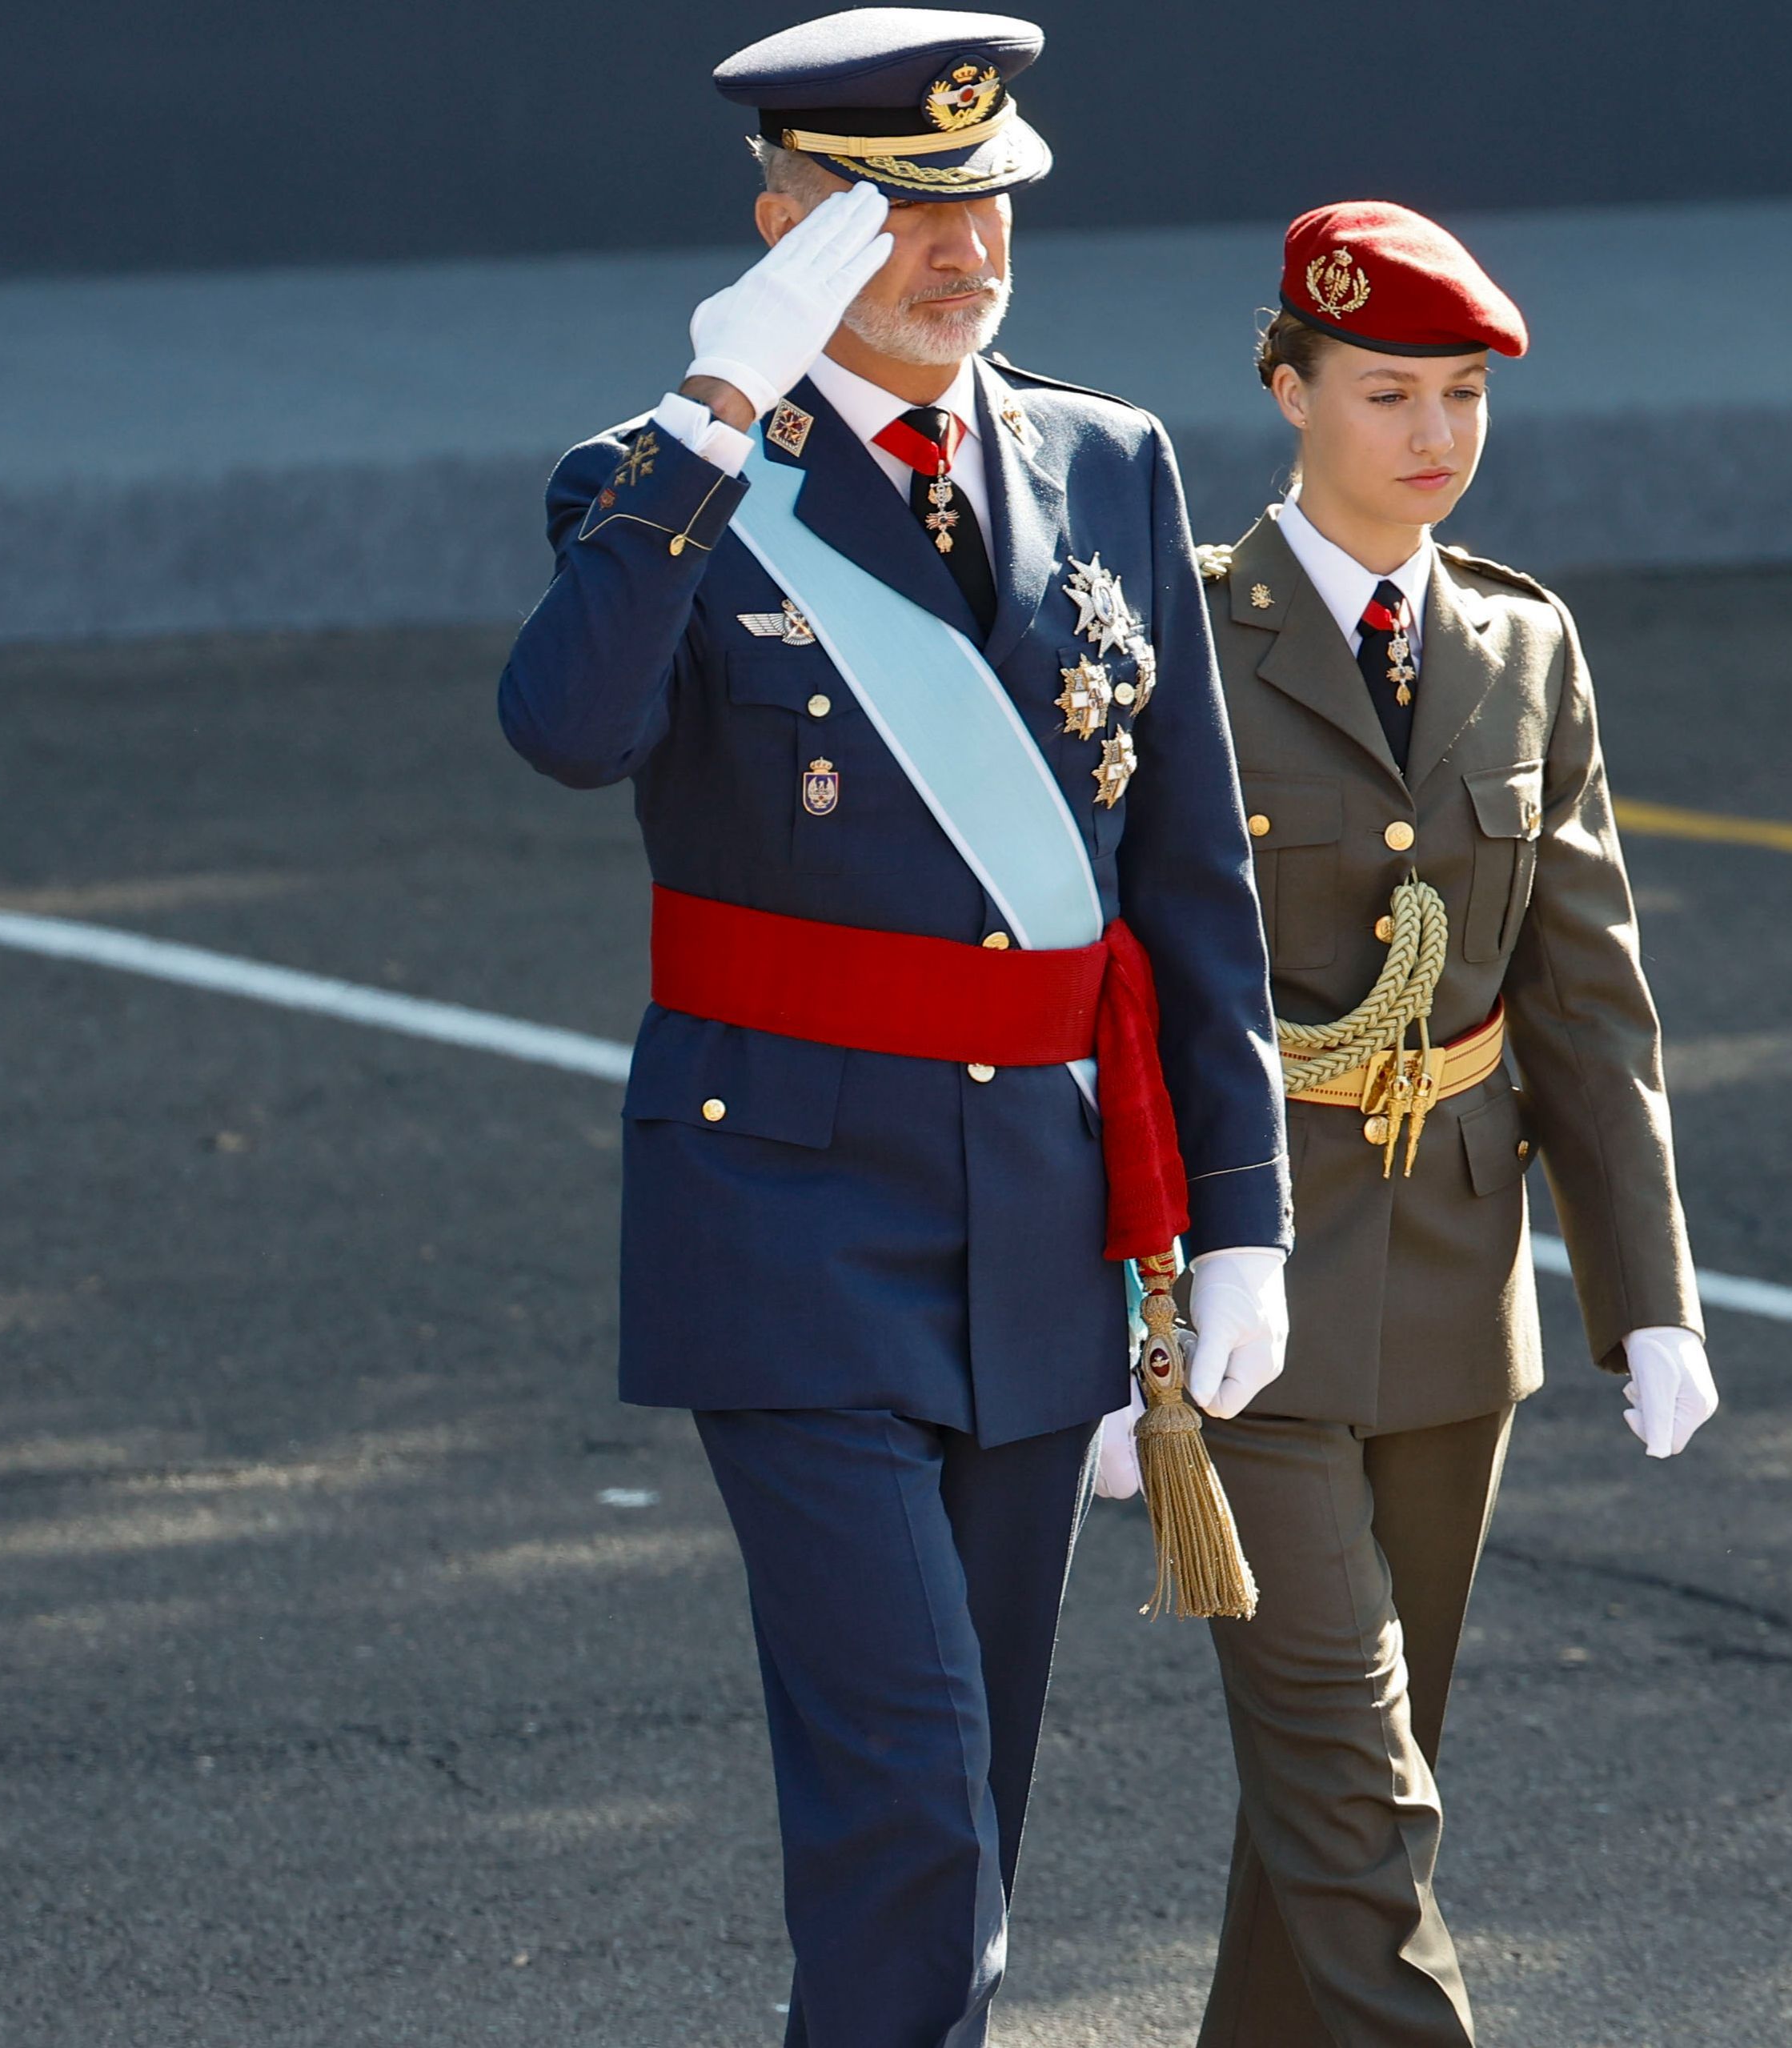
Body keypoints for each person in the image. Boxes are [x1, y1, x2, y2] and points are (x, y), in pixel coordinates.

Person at [493, 13, 1297, 2044]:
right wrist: (710, 412)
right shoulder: (655, 480)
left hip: (1033, 1215)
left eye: (986, 201)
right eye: (899, 212)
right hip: (782, 1210)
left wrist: (1240, 1210)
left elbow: (1185, 877)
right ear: (783, 230)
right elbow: (567, 729)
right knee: (915, 1804)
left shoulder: (1105, 461)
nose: (964, 252)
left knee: (973, 1814)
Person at [1101, 201, 1718, 2047]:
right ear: (1286, 390)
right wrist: (1106, 1300)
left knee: (1340, 1800)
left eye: (1461, 393)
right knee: (1362, 1790)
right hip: (1240, 1277)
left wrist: (1650, 1296)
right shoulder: (1181, 636)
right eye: (1386, 391)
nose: (1434, 432)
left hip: (1457, 1284)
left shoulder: (1523, 643)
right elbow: (1106, 991)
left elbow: (1586, 995)